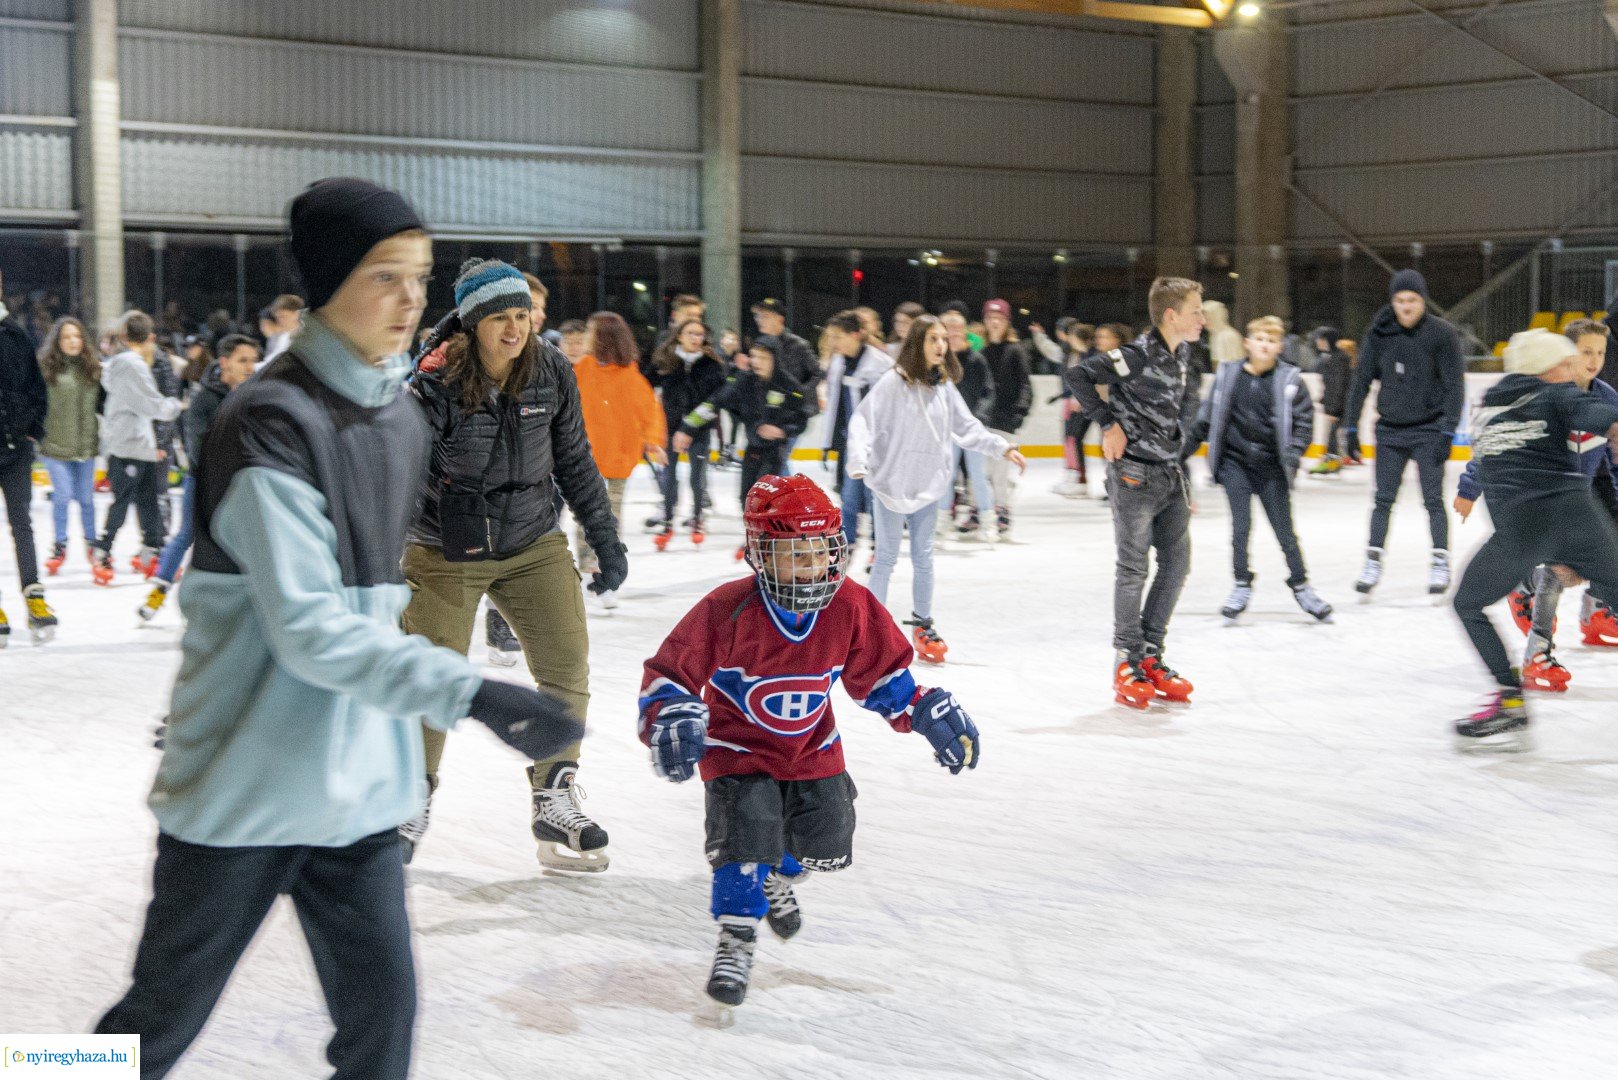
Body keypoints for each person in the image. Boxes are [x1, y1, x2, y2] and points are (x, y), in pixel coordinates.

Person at [94, 177, 583, 1080]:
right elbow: (311, 631)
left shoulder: (397, 416)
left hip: (356, 791)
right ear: (325, 283)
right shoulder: (266, 424)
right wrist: (469, 690)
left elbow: (380, 603)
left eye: (419, 277)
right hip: (243, 789)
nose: (409, 300)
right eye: (384, 276)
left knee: (382, 1029)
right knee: (144, 1035)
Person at [637, 473, 983, 1007]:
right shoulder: (728, 608)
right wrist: (672, 711)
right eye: (794, 553)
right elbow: (671, 672)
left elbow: (882, 678)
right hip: (737, 753)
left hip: (813, 751)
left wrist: (920, 709)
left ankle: (780, 871)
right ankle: (737, 938)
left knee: (826, 845)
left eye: (821, 551)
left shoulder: (850, 606)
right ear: (760, 554)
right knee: (745, 838)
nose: (813, 565)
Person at [400, 258, 624, 872]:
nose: (514, 328)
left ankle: (555, 793)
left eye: (521, 314)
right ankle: (408, 797)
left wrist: (604, 539)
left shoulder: (551, 369)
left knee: (566, 662)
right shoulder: (436, 380)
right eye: (499, 316)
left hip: (531, 540)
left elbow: (575, 457)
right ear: (472, 324)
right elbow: (396, 474)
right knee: (432, 672)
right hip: (446, 546)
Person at [1449, 328, 1618, 752]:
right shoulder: (1556, 394)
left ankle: (1510, 700)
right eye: (1564, 363)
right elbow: (1597, 416)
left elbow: (1488, 468)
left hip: (1519, 528)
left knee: (1467, 604)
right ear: (1544, 368)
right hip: (1573, 515)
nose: (1571, 369)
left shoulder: (1487, 404)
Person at [848, 315, 1025, 662]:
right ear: (918, 343)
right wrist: (859, 459)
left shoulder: (944, 387)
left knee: (924, 557)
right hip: (891, 482)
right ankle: (873, 628)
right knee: (884, 558)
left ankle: (923, 625)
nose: (941, 345)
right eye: (933, 339)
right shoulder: (892, 383)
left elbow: (968, 427)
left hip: (928, 484)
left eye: (943, 339)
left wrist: (1000, 446)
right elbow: (862, 421)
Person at [1068, 277, 1204, 709]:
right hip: (1133, 477)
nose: (1202, 318)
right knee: (1133, 568)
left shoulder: (1184, 354)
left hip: (1170, 476)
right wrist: (1108, 423)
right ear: (1171, 315)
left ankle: (1151, 654)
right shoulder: (1134, 355)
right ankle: (1127, 659)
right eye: (1196, 310)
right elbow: (1079, 375)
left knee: (1177, 564)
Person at [1194, 316, 1333, 625]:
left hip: (1272, 467)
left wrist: (1294, 453)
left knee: (1285, 531)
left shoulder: (1290, 380)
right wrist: (1183, 450)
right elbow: (1206, 418)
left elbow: (1304, 420)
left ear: (1279, 346)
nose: (1265, 345)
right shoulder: (1228, 375)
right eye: (1259, 339)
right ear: (1247, 343)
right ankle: (1241, 583)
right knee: (1240, 527)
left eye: (1271, 341)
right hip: (1235, 464)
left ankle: (1301, 585)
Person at [1343, 269, 1465, 601]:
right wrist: (1350, 426)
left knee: (1432, 500)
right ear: (1393, 302)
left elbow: (1455, 386)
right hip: (1390, 432)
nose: (1405, 307)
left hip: (1429, 430)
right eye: (1399, 301)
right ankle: (1372, 561)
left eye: (1412, 300)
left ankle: (1440, 560)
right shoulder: (1379, 334)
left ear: (1422, 301)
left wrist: (1447, 431)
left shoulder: (1442, 334)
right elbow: (1362, 381)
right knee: (1382, 500)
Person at [139, 334, 261, 622]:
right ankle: (158, 592)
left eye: (253, 361)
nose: (250, 367)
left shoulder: (256, 395)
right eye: (243, 360)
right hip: (206, 481)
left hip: (245, 482)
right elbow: (197, 448)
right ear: (224, 363)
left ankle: (253, 602)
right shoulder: (204, 400)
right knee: (186, 534)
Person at [675, 337, 808, 559]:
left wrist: (782, 430)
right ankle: (756, 537)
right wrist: (688, 427)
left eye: (764, 358)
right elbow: (714, 402)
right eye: (755, 356)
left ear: (775, 359)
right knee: (745, 497)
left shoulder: (789, 386)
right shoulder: (744, 382)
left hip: (775, 452)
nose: (757, 362)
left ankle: (765, 542)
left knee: (766, 498)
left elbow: (801, 421)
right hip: (752, 449)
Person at [572, 310, 666, 612]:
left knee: (608, 519)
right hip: (583, 460)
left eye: (590, 330)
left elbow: (649, 412)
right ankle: (588, 570)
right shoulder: (582, 369)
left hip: (617, 461)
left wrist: (653, 442)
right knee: (582, 518)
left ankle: (604, 573)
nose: (586, 336)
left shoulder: (630, 376)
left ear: (604, 337)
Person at [92, 311, 184, 586]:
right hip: (128, 444)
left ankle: (152, 551)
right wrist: (175, 406)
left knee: (148, 499)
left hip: (137, 442)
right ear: (149, 338)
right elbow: (150, 402)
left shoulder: (120, 364)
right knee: (124, 500)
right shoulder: (133, 365)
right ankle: (103, 551)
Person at [0, 274, 54, 645]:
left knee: (23, 525)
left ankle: (34, 597)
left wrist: (32, 430)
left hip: (16, 449)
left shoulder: (15, 334)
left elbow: (36, 387)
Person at [646, 319, 726, 544]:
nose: (695, 338)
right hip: (669, 428)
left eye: (700, 334)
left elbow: (717, 398)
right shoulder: (665, 360)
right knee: (669, 476)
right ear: (679, 335)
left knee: (697, 477)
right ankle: (668, 522)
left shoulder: (711, 365)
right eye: (690, 333)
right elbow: (644, 385)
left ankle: (698, 518)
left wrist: (693, 424)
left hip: (699, 429)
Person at [819, 309, 893, 552]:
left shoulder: (880, 363)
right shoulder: (839, 362)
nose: (833, 343)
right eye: (831, 337)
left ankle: (877, 543)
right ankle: (846, 542)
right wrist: (828, 442)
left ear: (856, 334)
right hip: (850, 443)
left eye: (838, 337)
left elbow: (889, 406)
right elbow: (834, 405)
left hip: (877, 443)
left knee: (874, 497)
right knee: (849, 496)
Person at [36, 316, 99, 578]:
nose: (73, 341)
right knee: (62, 496)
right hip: (54, 446)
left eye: (77, 336)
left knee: (86, 500)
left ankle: (93, 546)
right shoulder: (46, 370)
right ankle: (59, 545)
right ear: (58, 342)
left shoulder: (94, 370)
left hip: (85, 447)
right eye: (66, 337)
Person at [940, 309, 998, 538]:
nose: (954, 333)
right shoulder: (939, 359)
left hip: (972, 427)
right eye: (948, 328)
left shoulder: (976, 359)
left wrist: (978, 419)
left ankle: (988, 520)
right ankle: (941, 520)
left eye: (957, 328)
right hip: (945, 429)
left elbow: (988, 391)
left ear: (964, 331)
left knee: (977, 475)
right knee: (945, 475)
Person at [979, 299, 1032, 537]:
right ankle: (985, 507)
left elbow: (1025, 385)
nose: (995, 322)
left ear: (1006, 321)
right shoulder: (982, 352)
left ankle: (1002, 510)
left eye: (999, 318)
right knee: (986, 470)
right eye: (990, 318)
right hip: (985, 420)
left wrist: (1019, 413)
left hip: (1006, 419)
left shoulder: (1016, 350)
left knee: (1000, 471)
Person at [1047, 319, 1094, 498]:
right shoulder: (1079, 355)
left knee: (1075, 437)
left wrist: (1077, 398)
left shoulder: (1090, 356)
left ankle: (1081, 479)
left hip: (1088, 405)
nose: (1068, 339)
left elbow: (1089, 382)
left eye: (1072, 337)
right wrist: (1063, 396)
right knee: (1074, 437)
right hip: (1081, 403)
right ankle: (1078, 479)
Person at [1307, 326, 1352, 476]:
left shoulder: (1340, 358)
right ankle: (1331, 459)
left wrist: (1334, 408)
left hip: (1339, 404)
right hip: (1332, 402)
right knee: (1331, 434)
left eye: (1321, 339)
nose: (1318, 342)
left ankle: (1332, 461)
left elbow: (1338, 384)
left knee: (1334, 434)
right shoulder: (1327, 357)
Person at [257, 293, 304, 366]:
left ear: (296, 314)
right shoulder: (277, 336)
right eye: (278, 317)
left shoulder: (304, 336)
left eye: (284, 316)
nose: (280, 321)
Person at [1203, 299, 1243, 365]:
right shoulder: (1213, 335)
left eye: (1208, 317)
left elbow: (1234, 365)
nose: (1204, 321)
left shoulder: (1229, 336)